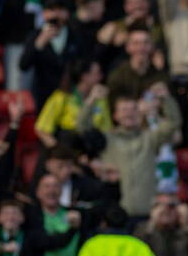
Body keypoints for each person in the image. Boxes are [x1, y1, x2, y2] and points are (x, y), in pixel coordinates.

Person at [77, 82, 182, 219]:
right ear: (115, 115)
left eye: (133, 109)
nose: (129, 113)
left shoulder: (150, 138)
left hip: (147, 213)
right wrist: (92, 100)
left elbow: (173, 124)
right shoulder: (107, 139)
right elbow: (83, 128)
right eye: (124, 110)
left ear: (139, 113)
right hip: (116, 216)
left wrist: (166, 99)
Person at [34, 59, 110, 149]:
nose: (101, 77)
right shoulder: (62, 96)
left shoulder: (100, 99)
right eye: (97, 73)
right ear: (85, 77)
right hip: (67, 146)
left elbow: (107, 130)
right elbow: (42, 129)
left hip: (92, 148)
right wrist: (59, 150)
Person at [26, 173, 83, 256]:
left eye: (56, 186)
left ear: (61, 191)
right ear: (38, 192)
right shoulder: (30, 217)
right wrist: (72, 230)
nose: (51, 190)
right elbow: (43, 242)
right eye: (46, 186)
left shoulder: (75, 214)